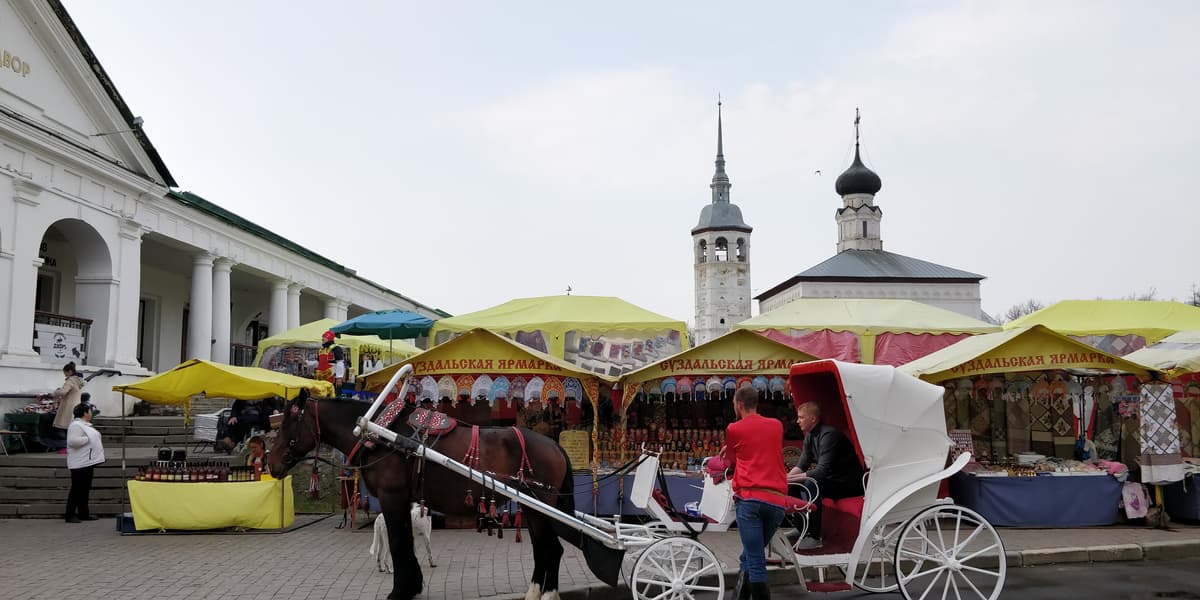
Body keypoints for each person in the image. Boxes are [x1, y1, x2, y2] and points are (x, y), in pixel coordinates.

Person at [723, 386, 786, 600]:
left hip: (750, 499)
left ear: (739, 405)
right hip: (777, 500)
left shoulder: (734, 428)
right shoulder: (776, 425)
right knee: (752, 554)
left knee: (756, 559)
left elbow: (730, 460)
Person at [786, 402, 865, 549]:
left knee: (812, 483)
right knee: (792, 484)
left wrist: (787, 478)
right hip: (831, 480)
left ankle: (815, 537)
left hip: (848, 484)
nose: (797, 421)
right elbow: (802, 465)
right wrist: (787, 479)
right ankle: (801, 527)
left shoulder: (829, 435)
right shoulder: (810, 435)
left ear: (813, 419)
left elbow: (820, 471)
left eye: (801, 417)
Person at [66, 401, 104, 523]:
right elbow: (73, 441)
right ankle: (70, 514)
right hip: (79, 463)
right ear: (85, 413)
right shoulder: (76, 426)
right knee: (77, 489)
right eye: (90, 411)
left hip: (87, 462)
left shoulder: (84, 425)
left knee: (84, 489)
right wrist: (89, 439)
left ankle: (84, 513)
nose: (91, 413)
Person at [50, 362, 85, 432]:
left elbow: (63, 391)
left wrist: (55, 392)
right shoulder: (79, 380)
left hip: (68, 406)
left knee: (65, 427)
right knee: (73, 426)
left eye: (65, 373)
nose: (65, 375)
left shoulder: (71, 380)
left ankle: (67, 438)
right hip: (76, 404)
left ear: (69, 371)